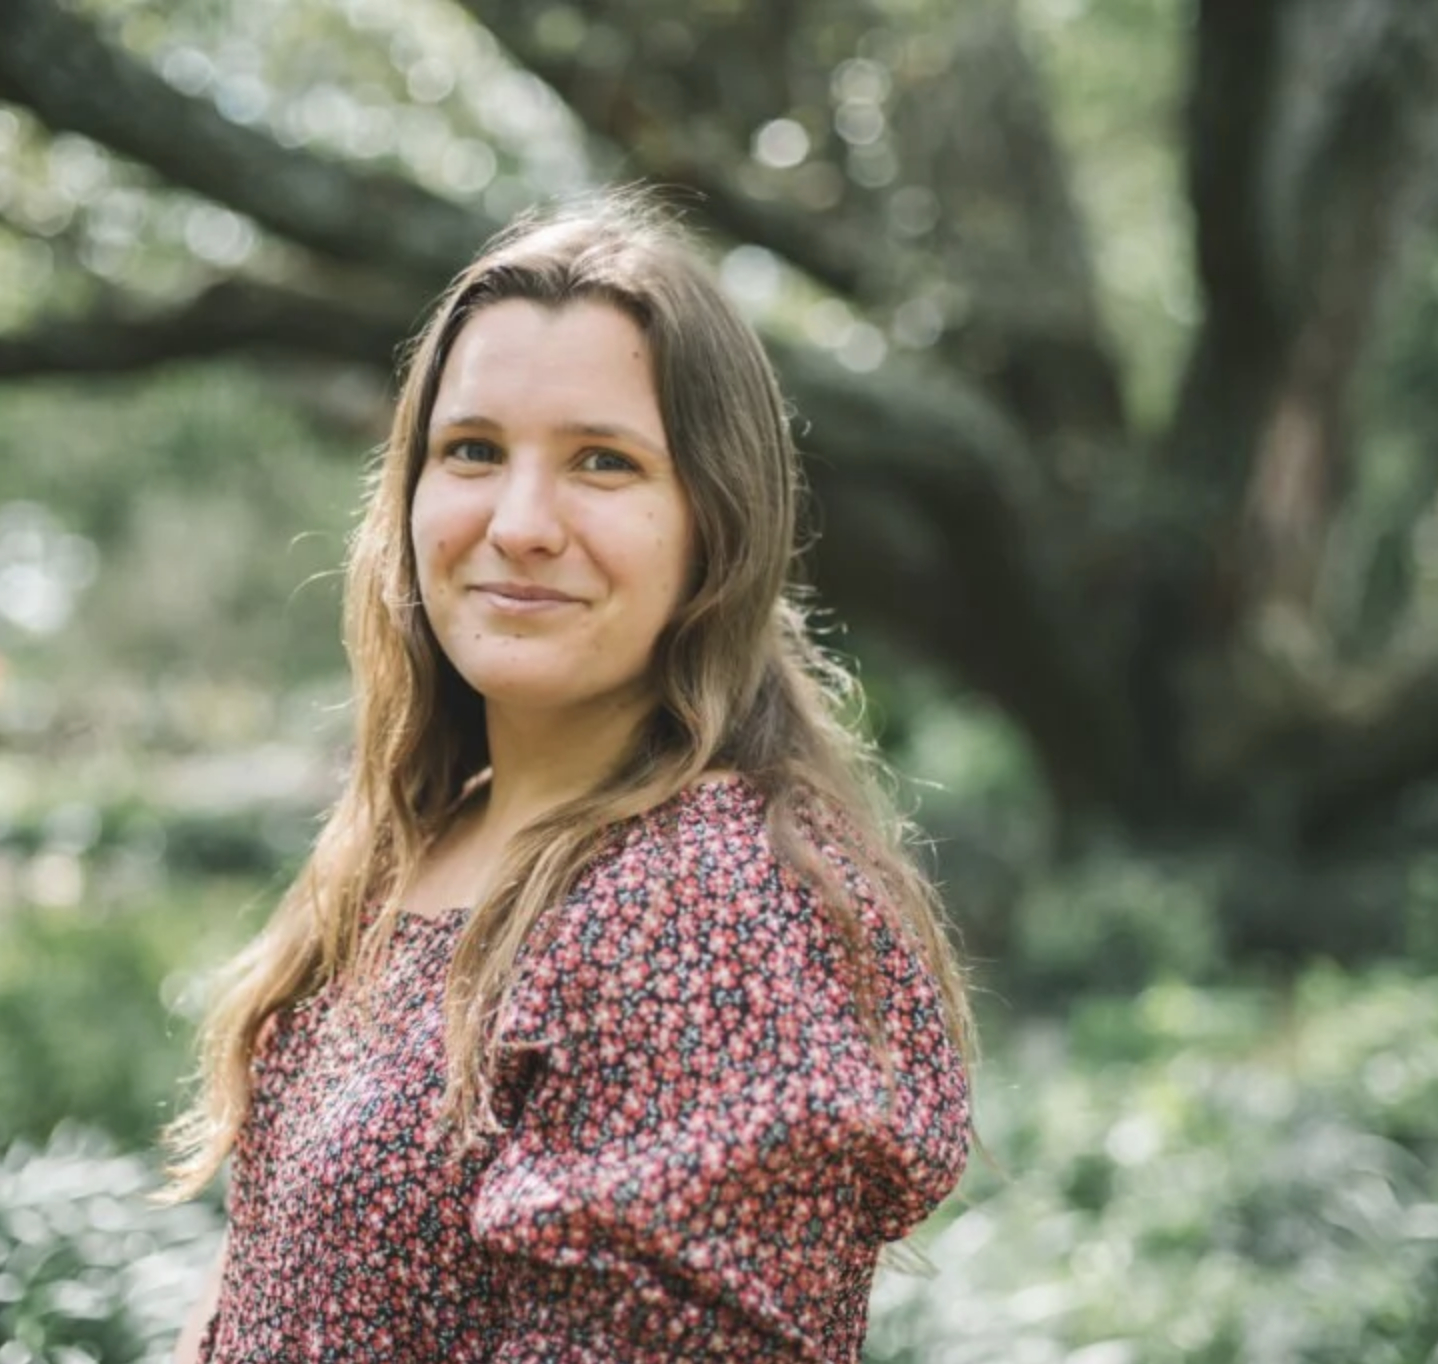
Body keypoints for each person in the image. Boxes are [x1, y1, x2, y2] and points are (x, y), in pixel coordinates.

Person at [163, 191, 975, 1363]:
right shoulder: (428, 834)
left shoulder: (711, 905)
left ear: (714, 521)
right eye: (474, 451)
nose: (521, 521)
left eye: (603, 461)